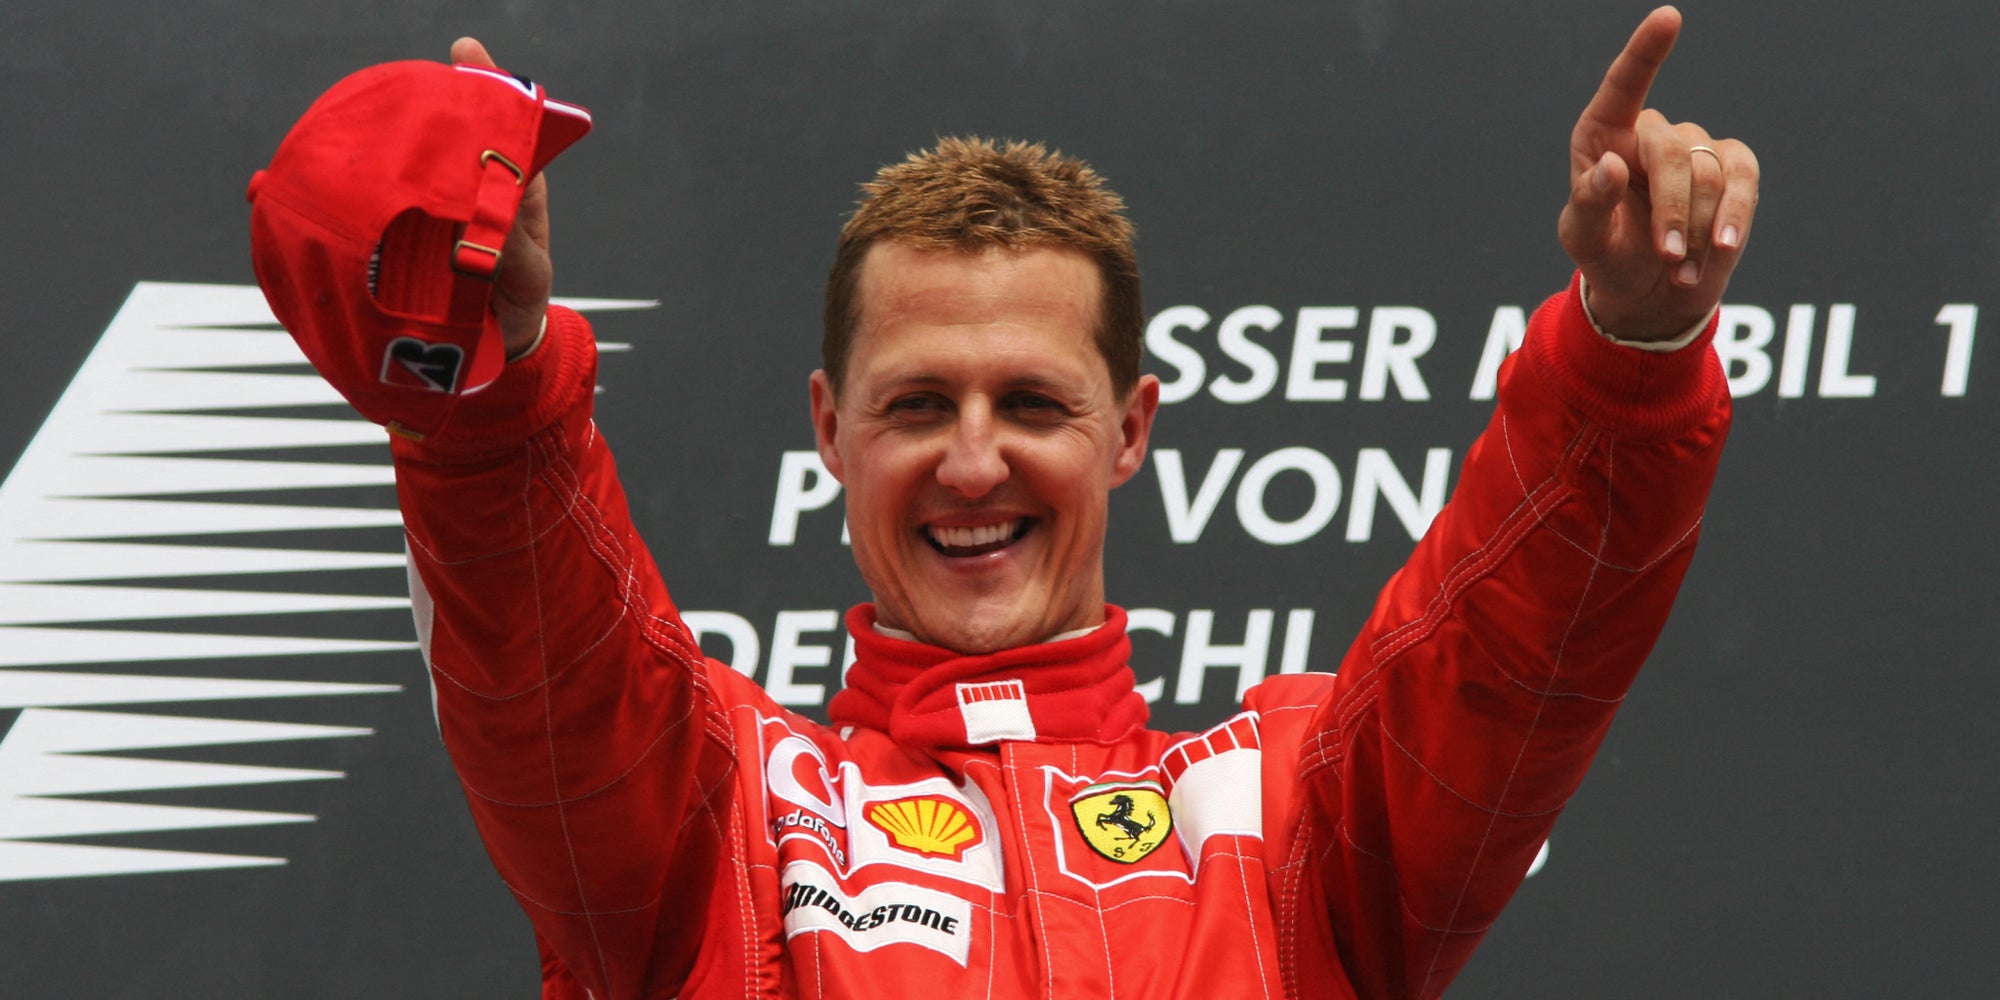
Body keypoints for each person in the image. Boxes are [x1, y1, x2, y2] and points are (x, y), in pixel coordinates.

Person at [252, 6, 1755, 998]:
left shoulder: (1291, 811)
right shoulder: (726, 817)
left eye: (1032, 404)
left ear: (1129, 430)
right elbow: (549, 666)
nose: (974, 463)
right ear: (831, 432)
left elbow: (1516, 654)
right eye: (919, 405)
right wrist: (493, 391)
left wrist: (1630, 351)